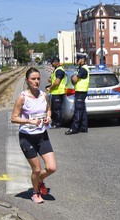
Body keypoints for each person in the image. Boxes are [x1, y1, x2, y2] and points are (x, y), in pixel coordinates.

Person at [11, 67, 57, 204]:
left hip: (42, 135)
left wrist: (49, 117)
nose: (36, 81)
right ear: (27, 81)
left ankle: (39, 180)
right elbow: (14, 118)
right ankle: (35, 193)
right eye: (33, 79)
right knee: (36, 170)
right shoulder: (22, 98)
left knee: (51, 167)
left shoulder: (44, 95)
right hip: (27, 137)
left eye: (38, 79)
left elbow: (48, 110)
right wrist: (29, 121)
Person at [65, 53, 89, 135]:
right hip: (82, 91)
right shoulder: (83, 68)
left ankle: (74, 128)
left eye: (78, 59)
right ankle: (83, 127)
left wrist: (73, 77)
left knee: (78, 110)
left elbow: (75, 79)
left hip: (80, 92)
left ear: (82, 60)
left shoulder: (83, 69)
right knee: (83, 110)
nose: (76, 61)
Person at [47, 56, 67, 128]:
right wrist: (51, 80)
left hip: (58, 92)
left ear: (56, 62)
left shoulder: (59, 71)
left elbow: (57, 82)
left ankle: (57, 123)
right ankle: (54, 123)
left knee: (57, 109)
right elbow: (53, 80)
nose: (51, 64)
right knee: (54, 108)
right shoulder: (56, 70)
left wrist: (50, 88)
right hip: (55, 92)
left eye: (52, 62)